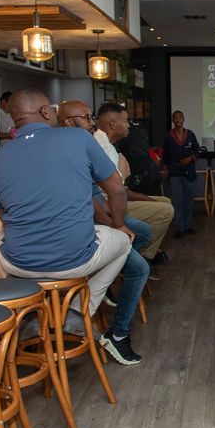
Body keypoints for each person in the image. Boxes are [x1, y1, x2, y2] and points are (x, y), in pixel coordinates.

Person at [0, 89, 134, 352]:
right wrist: (120, 225)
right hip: (73, 260)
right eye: (53, 108)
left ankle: (32, 312)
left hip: (19, 264)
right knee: (124, 241)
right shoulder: (78, 138)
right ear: (45, 112)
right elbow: (117, 190)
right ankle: (77, 312)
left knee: (0, 236)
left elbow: (2, 215)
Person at [54, 100, 149, 364]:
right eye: (86, 118)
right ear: (68, 122)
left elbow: (97, 195)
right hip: (84, 230)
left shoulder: (79, 144)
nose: (92, 123)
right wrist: (115, 225)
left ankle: (104, 277)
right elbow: (108, 193)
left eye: (92, 117)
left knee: (142, 232)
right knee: (139, 268)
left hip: (90, 224)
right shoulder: (74, 149)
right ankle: (118, 335)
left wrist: (114, 222)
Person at [92, 102, 175, 264]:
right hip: (109, 206)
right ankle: (141, 253)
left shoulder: (108, 145)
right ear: (113, 124)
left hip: (114, 200)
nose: (129, 125)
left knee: (164, 201)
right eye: (125, 121)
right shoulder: (102, 147)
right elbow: (116, 191)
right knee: (166, 210)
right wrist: (144, 198)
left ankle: (143, 253)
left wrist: (145, 198)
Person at [163, 110, 201, 238]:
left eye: (180, 117)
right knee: (177, 200)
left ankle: (187, 226)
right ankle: (179, 228)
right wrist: (165, 170)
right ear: (173, 120)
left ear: (183, 119)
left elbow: (197, 150)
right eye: (175, 118)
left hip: (188, 172)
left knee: (189, 200)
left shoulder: (190, 134)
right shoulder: (168, 136)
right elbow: (165, 155)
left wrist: (190, 158)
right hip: (175, 172)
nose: (178, 120)